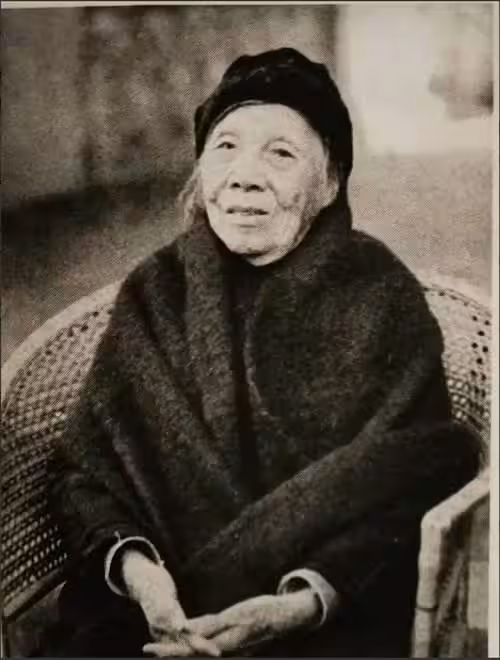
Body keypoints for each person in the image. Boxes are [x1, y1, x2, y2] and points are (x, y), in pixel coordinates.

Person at [46, 48, 479, 658]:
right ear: (202, 170)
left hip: (319, 627)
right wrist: (141, 575)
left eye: (281, 153)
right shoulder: (154, 291)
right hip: (147, 621)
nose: (245, 175)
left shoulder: (382, 297)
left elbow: (416, 480)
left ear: (330, 184)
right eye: (226, 146)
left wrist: (303, 602)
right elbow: (86, 473)